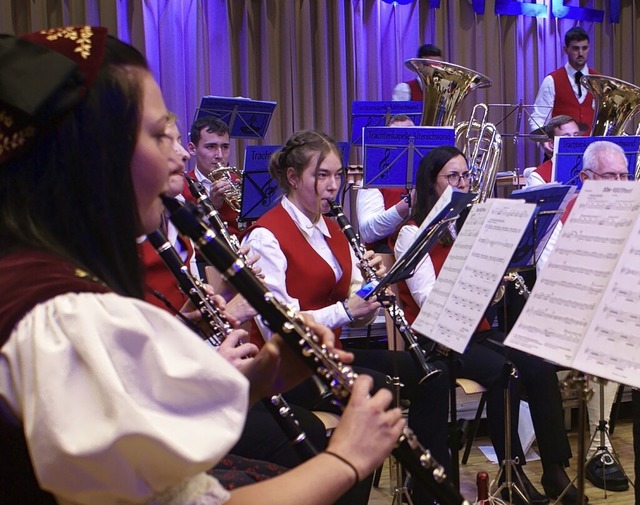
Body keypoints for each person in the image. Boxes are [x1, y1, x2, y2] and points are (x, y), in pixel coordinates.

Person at [0, 26, 405, 505]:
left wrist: (257, 381)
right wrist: (347, 458)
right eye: (158, 135)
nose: (180, 158)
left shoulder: (34, 274)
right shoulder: (64, 318)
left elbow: (142, 420)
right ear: (90, 157)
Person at [242, 130, 452, 505]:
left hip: (331, 356)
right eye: (321, 175)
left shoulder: (334, 227)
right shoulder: (266, 236)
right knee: (376, 394)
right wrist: (345, 310)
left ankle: (427, 495)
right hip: (288, 370)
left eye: (337, 175)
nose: (333, 186)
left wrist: (373, 293)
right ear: (293, 178)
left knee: (432, 377)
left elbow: (354, 316)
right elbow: (276, 324)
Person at [395, 146, 587, 505]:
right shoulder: (413, 233)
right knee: (506, 371)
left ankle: (554, 469)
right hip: (437, 338)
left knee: (539, 364)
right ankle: (511, 472)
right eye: (452, 177)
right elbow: (430, 301)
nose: (462, 183)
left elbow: (490, 301)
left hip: (477, 332)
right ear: (431, 183)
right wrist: (478, 279)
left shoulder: (470, 227)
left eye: (465, 175)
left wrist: (496, 274)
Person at [356, 114, 416, 253]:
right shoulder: (373, 178)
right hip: (387, 259)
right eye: (397, 139)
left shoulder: (430, 176)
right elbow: (367, 232)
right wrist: (407, 204)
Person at [529, 27, 600, 135]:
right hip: (560, 149)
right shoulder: (551, 80)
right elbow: (539, 118)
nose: (581, 53)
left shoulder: (599, 80)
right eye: (576, 49)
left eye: (584, 48)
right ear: (566, 49)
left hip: (592, 149)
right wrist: (544, 142)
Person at [185, 116, 242, 237]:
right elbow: (187, 237)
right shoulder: (182, 186)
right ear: (192, 149)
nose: (220, 155)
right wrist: (212, 206)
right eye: (211, 147)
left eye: (225, 147)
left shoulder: (240, 180)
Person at [524, 115, 586, 187]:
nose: (573, 141)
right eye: (566, 137)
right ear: (552, 144)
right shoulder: (537, 177)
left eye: (576, 135)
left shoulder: (591, 169)